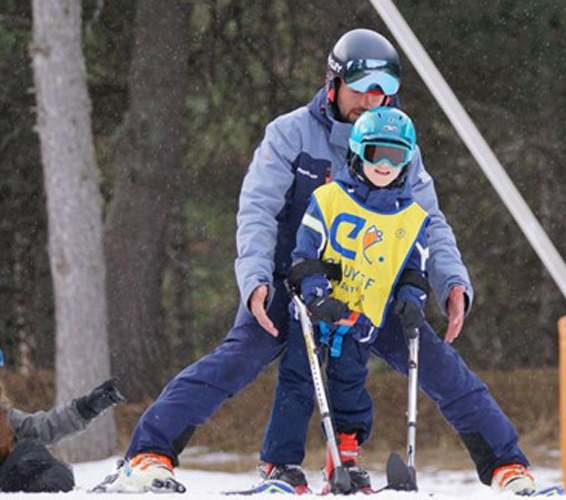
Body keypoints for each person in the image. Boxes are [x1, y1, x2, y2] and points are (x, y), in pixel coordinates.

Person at [95, 28, 535, 495]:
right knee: (237, 360)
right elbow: (258, 211)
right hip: (294, 285)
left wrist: (451, 282)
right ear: (334, 83)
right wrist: (257, 278)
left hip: (371, 288)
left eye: (384, 93)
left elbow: (429, 221)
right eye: (362, 90)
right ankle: (149, 455)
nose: (372, 102)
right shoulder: (291, 134)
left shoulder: (398, 143)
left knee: (442, 368)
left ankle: (509, 468)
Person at [285, 106, 430, 494]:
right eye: (375, 153)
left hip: (361, 320)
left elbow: (414, 270)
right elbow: (303, 256)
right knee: (298, 384)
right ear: (356, 153)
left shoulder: (412, 218)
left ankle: (345, 457)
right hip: (318, 315)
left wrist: (412, 299)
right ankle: (280, 463)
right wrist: (317, 295)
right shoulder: (329, 200)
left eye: (395, 156)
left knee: (351, 386)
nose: (385, 164)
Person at [0, 378, 125, 493]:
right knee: (29, 450)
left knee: (40, 459)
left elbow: (44, 426)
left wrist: (86, 407)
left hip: (10, 481)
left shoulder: (5, 417)